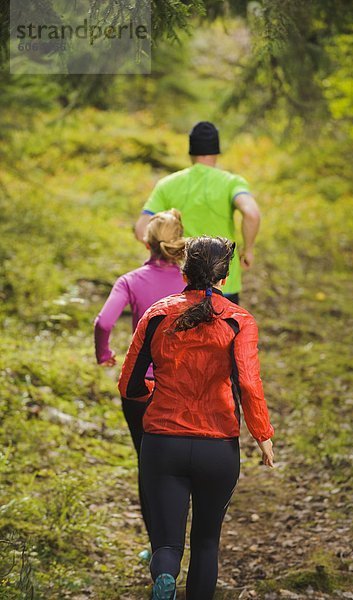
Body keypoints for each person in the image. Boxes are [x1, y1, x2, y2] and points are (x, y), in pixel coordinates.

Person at [118, 236, 274, 600]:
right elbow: (249, 384)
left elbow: (129, 383)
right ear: (223, 278)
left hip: (162, 442)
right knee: (206, 542)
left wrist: (151, 400)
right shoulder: (239, 320)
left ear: (184, 271)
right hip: (217, 446)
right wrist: (262, 434)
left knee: (167, 544)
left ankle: (165, 579)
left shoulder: (156, 314)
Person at [94, 209, 185, 532]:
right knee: (183, 463)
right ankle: (182, 539)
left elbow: (104, 322)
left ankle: (158, 546)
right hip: (184, 389)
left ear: (148, 243)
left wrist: (104, 354)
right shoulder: (192, 282)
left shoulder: (130, 281)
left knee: (148, 464)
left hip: (141, 389)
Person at [134, 121, 261, 305]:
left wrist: (168, 252)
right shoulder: (231, 183)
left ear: (191, 151)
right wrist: (248, 250)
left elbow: (141, 231)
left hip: (180, 285)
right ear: (216, 151)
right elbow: (252, 214)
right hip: (223, 284)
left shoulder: (168, 184)